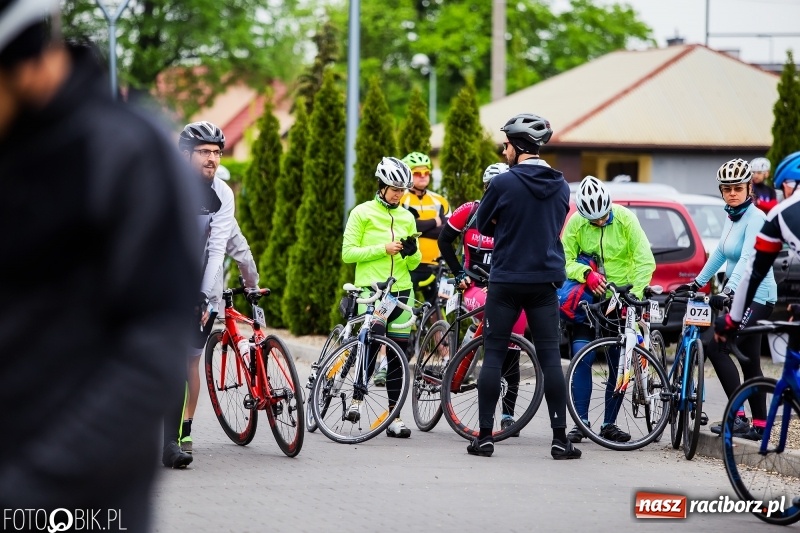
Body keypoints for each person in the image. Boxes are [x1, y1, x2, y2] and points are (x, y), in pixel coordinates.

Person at [0, 0, 200, 529]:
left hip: (75, 496)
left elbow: (155, 347)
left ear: (25, 64)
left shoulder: (122, 151)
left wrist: (27, 485)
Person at [470, 112, 578, 459]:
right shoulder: (561, 184)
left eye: (506, 145)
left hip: (505, 279)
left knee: (494, 355)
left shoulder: (503, 183)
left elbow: (482, 225)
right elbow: (554, 221)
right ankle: (560, 441)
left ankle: (485, 438)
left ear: (518, 146)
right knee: (549, 359)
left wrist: (506, 221)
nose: (503, 152)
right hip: (544, 281)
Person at [562, 176, 656, 444]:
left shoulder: (626, 219)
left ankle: (608, 423)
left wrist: (634, 297)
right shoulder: (576, 222)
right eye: (594, 220)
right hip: (589, 300)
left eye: (603, 217)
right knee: (582, 359)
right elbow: (565, 260)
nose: (600, 222)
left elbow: (644, 261)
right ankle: (581, 423)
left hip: (621, 298)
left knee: (618, 364)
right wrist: (584, 273)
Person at [438, 162, 527, 435]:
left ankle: (508, 414)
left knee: (516, 332)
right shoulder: (470, 211)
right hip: (472, 286)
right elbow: (444, 241)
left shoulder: (515, 217)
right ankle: (470, 345)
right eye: (492, 188)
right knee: (492, 309)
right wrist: (458, 275)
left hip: (502, 286)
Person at [178, 165, 261, 455]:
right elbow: (245, 258)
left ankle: (177, 430)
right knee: (190, 363)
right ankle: (184, 429)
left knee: (181, 362)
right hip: (208, 296)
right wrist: (252, 287)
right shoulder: (227, 221)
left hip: (197, 295)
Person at [341, 157, 422, 438]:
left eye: (402, 189)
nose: (399, 194)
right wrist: (382, 248)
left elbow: (415, 264)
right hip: (373, 291)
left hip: (402, 293)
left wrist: (412, 253)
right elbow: (348, 253)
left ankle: (394, 416)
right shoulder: (362, 213)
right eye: (394, 188)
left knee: (399, 357)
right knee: (372, 348)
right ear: (381, 185)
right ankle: (357, 400)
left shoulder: (408, 217)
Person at [707, 158, 785, 440]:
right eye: (726, 189)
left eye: (737, 188)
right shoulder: (732, 218)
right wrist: (696, 282)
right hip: (742, 295)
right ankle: (760, 427)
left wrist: (728, 291)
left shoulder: (756, 218)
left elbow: (747, 260)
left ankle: (737, 417)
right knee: (750, 361)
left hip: (758, 296)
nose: (732, 193)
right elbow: (719, 253)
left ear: (749, 188)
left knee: (715, 345)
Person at [175, 121, 236, 459]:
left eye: (216, 152)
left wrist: (202, 293)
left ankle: (185, 427)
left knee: (190, 361)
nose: (212, 158)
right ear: (186, 154)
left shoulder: (223, 193)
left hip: (201, 282)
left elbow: (217, 248)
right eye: (204, 152)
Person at [400, 151, 450, 307]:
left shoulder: (440, 200)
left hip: (435, 266)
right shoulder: (401, 198)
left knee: (437, 311)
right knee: (404, 309)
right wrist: (435, 221)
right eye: (417, 173)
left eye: (426, 172)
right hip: (408, 265)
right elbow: (406, 229)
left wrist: (419, 227)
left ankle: (438, 333)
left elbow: (447, 231)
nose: (423, 176)